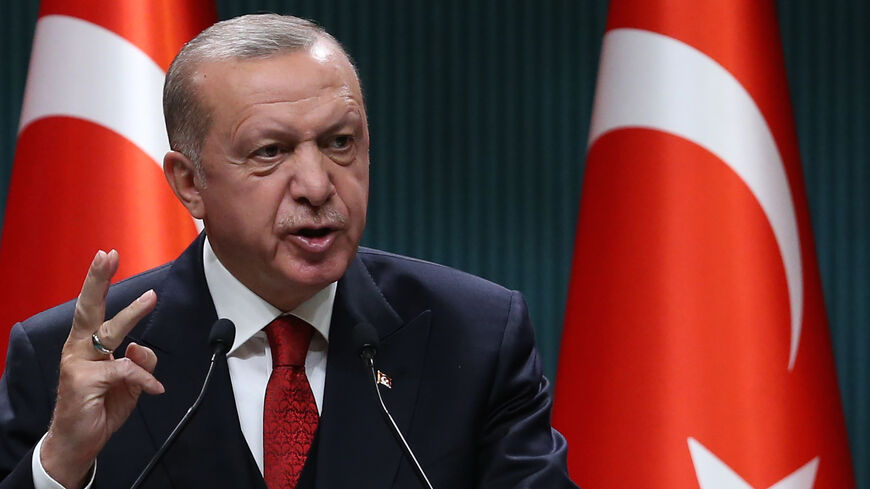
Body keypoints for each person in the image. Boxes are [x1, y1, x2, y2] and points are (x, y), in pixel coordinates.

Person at [0, 13, 576, 489]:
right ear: (189, 184)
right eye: (271, 151)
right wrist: (60, 469)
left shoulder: (474, 338)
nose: (318, 185)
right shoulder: (66, 363)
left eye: (340, 143)